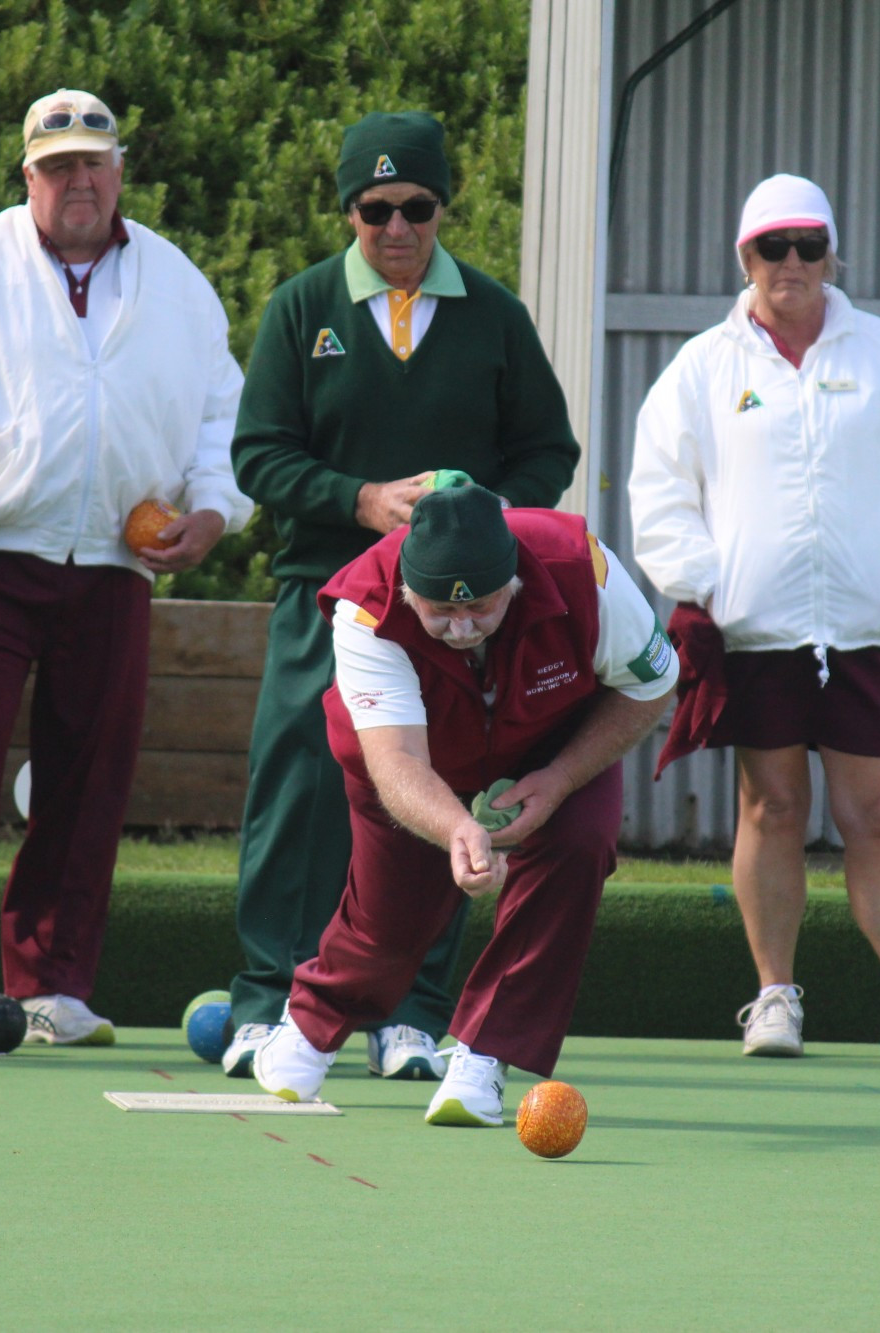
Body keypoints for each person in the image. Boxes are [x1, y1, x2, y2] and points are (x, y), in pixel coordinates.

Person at [0, 89, 250, 1045]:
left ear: (120, 172)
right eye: (57, 164)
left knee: (90, 778)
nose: (79, 180)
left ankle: (53, 987)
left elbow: (221, 418)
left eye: (94, 162)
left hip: (117, 563)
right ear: (26, 176)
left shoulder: (181, 283)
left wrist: (213, 508)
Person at [223, 111, 581, 1082]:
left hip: (455, 607)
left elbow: (548, 448)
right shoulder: (301, 309)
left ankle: (412, 1017)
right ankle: (264, 1002)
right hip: (322, 591)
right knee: (297, 789)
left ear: (439, 208)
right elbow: (257, 453)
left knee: (438, 791)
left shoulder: (493, 315)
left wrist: (477, 519)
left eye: (414, 208)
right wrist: (361, 499)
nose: (394, 229)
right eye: (373, 209)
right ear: (348, 210)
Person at [628, 173, 880, 1064]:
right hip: (755, 635)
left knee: (876, 815)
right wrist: (710, 584)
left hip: (864, 633)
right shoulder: (703, 368)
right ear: (745, 257)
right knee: (770, 806)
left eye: (809, 244)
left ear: (832, 252)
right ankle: (773, 999)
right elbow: (660, 493)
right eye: (774, 247)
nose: (792, 263)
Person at [251, 483, 676, 1123]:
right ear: (404, 592)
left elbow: (653, 686)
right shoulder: (365, 606)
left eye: (480, 608)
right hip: (411, 752)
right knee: (390, 917)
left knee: (579, 847)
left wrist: (560, 778)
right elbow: (395, 761)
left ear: (513, 585)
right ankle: (311, 1025)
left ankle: (483, 1056)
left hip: (554, 735)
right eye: (438, 612)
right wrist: (458, 828)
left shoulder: (584, 570)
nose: (460, 628)